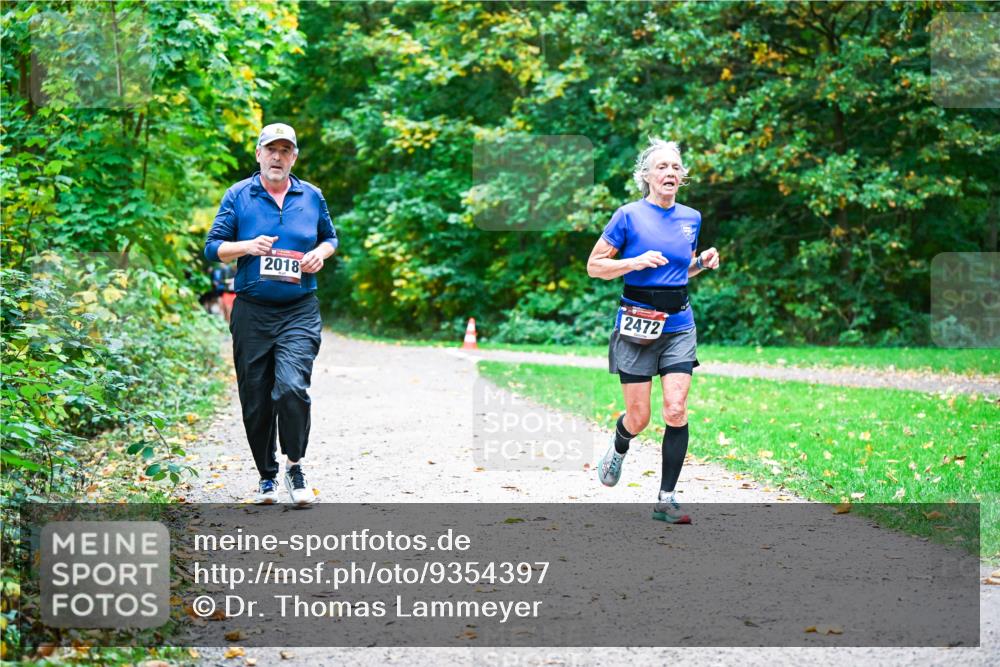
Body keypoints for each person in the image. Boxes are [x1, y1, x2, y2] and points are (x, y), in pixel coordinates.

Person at [586, 138, 720, 523]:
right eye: (662, 167)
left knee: (675, 409)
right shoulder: (627, 216)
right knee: (639, 417)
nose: (671, 173)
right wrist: (634, 261)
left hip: (679, 323)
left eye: (676, 168)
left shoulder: (690, 218)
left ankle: (666, 498)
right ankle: (619, 446)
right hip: (637, 323)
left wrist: (702, 262)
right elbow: (595, 266)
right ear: (645, 176)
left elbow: (681, 269)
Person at [204, 123, 338, 505]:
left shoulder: (311, 196)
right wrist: (247, 246)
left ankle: (294, 467)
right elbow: (213, 248)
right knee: (257, 397)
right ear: (259, 154)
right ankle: (267, 476)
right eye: (271, 149)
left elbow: (330, 237)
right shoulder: (239, 195)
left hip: (299, 309)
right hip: (252, 312)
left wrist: (320, 254)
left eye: (285, 150)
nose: (277, 157)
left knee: (292, 387)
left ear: (294, 157)